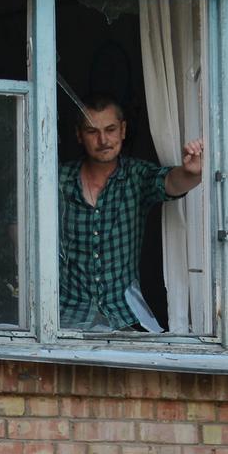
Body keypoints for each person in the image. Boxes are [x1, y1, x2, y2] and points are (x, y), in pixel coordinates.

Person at [59, 94, 204, 332]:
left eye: (110, 129)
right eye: (92, 131)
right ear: (79, 135)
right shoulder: (58, 180)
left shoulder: (136, 176)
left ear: (123, 130)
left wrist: (192, 172)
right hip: (65, 318)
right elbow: (19, 225)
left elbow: (170, 183)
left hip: (122, 316)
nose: (103, 139)